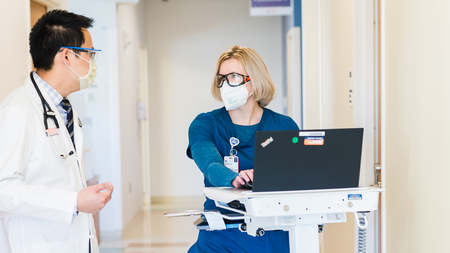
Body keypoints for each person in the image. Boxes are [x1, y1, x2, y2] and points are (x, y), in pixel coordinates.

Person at [0, 10, 113, 253]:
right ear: (67, 57)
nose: (93, 62)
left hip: (72, 239)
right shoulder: (18, 110)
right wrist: (74, 201)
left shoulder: (61, 106)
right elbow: (3, 188)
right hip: (36, 242)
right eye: (90, 54)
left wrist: (81, 200)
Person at [186, 45, 299, 252]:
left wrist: (264, 177)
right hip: (221, 235)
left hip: (272, 234)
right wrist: (233, 179)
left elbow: (295, 177)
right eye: (222, 78)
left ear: (255, 80)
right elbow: (210, 163)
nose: (226, 85)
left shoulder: (284, 126)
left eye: (235, 77)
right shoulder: (205, 124)